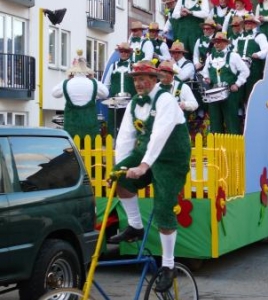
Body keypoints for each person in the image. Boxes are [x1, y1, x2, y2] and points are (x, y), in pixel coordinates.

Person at [108, 60, 191, 293]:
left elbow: (160, 134)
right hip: (145, 152)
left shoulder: (165, 99)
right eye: (135, 79)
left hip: (171, 158)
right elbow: (125, 136)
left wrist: (144, 166)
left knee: (164, 207)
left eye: (143, 78)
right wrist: (120, 168)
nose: (138, 83)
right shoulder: (134, 102)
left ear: (155, 80)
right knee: (120, 181)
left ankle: (168, 265)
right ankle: (135, 226)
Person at [52, 50, 109, 142]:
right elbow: (105, 93)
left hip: (71, 130)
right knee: (92, 154)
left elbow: (54, 93)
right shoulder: (93, 83)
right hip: (90, 130)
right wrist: (93, 79)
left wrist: (66, 80)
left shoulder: (67, 83)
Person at [201, 32, 250, 134]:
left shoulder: (233, 56)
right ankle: (217, 147)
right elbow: (205, 71)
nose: (216, 44)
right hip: (214, 94)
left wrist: (237, 84)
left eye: (219, 42)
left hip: (230, 94)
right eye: (215, 42)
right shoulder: (210, 58)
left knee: (231, 120)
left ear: (225, 43)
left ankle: (235, 146)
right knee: (215, 121)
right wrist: (207, 78)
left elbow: (245, 71)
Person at [103, 42, 137, 138]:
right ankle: (113, 144)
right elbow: (106, 84)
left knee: (128, 124)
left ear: (129, 53)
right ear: (119, 52)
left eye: (126, 51)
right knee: (113, 124)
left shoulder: (133, 66)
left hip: (129, 101)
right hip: (114, 101)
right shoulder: (113, 66)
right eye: (121, 51)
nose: (123, 53)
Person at [236, 14, 268, 107]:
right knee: (240, 92)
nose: (248, 24)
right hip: (240, 69)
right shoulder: (240, 37)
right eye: (246, 23)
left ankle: (251, 114)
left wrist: (258, 54)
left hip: (254, 68)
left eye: (250, 22)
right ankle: (242, 114)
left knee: (252, 92)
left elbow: (266, 50)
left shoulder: (259, 36)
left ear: (255, 24)